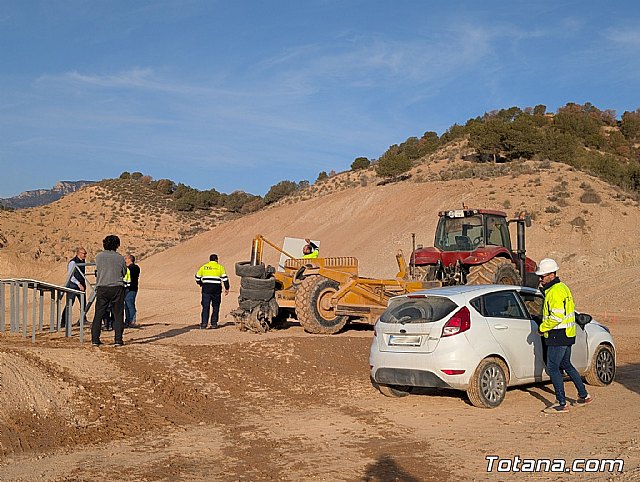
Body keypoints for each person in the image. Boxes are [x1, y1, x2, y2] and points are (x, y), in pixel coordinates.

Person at [536, 258, 592, 413]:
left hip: (557, 334)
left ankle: (561, 403)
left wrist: (542, 328)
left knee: (553, 368)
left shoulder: (554, 292)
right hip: (567, 333)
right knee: (566, 364)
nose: (540, 279)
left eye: (543, 276)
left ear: (552, 274)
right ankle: (584, 395)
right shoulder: (563, 288)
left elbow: (556, 317)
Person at [91, 235, 126, 347]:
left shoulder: (99, 256)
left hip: (102, 287)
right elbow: (124, 272)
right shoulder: (120, 258)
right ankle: (118, 340)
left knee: (99, 314)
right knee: (118, 314)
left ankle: (95, 339)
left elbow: (98, 270)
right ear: (117, 245)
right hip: (117, 287)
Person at [195, 254, 229, 329]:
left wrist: (201, 283)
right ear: (216, 259)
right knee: (216, 306)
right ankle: (214, 323)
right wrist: (227, 288)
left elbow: (197, 277)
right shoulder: (220, 267)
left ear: (210, 260)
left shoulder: (204, 267)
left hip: (206, 289)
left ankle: (204, 324)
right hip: (216, 289)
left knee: (205, 306)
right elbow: (225, 279)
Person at [61, 247, 87, 328]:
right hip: (73, 285)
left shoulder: (83, 261)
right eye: (84, 253)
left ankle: (83, 319)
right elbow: (70, 276)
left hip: (81, 285)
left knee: (83, 303)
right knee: (70, 303)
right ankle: (63, 322)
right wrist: (78, 284)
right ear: (78, 253)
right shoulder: (73, 262)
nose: (85, 255)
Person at [123, 254, 140, 327]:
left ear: (130, 259)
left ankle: (132, 321)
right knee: (126, 305)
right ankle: (127, 321)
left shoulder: (133, 268)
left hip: (131, 289)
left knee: (130, 305)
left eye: (126, 258)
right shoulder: (130, 268)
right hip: (128, 288)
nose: (125, 260)